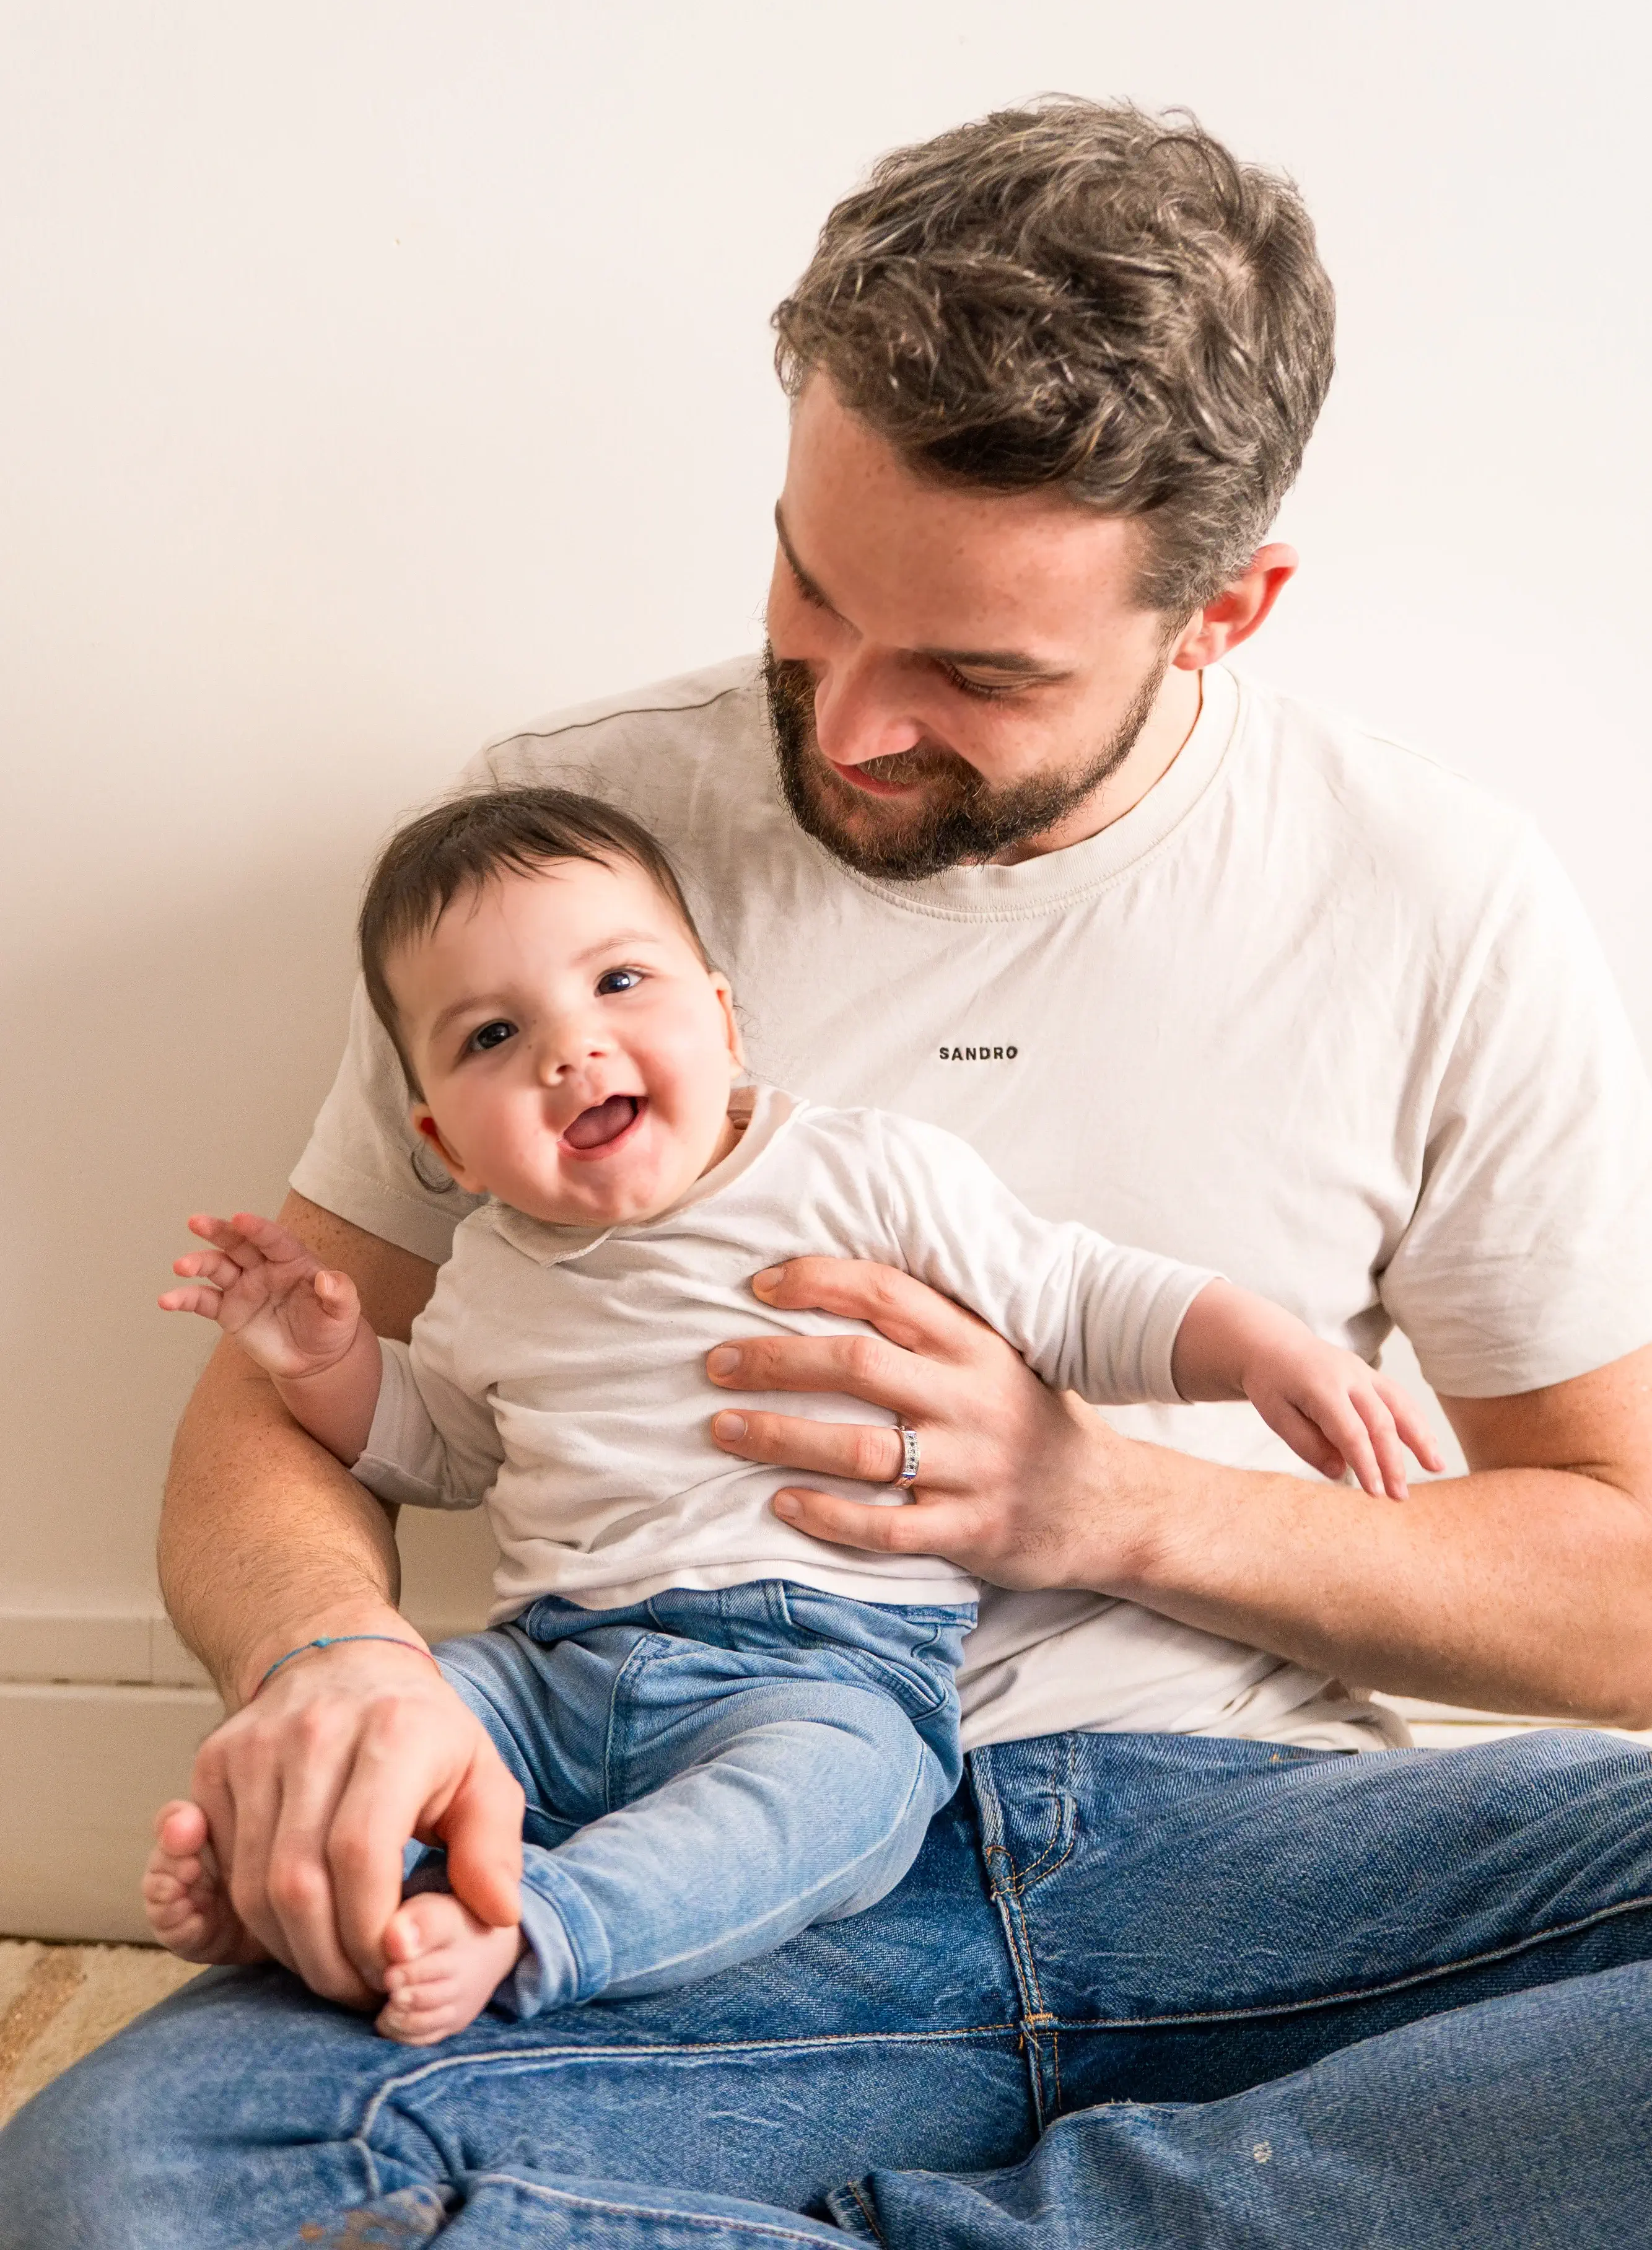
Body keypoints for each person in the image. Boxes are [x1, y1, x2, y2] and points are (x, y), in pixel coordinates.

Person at [6, 97, 1652, 2245]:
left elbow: (1620, 1587)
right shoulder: (551, 853)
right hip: (682, 1854)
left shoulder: (1429, 894)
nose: (848, 723)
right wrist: (341, 1672)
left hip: (1247, 1864)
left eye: (971, 672)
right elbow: (289, 1410)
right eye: (807, 584)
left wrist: (1106, 1502)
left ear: (1219, 614)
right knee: (123, 2189)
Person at [144, 786, 1433, 2044]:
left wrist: (1265, 1348)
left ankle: (547, 1926)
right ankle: (301, 1877)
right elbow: (445, 1448)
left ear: (722, 1019)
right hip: (554, 1665)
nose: (568, 1049)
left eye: (619, 983)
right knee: (412, 1712)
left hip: (823, 1666)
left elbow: (1075, 1294)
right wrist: (324, 1363)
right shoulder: (486, 1275)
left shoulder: (858, 1172)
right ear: (446, 1141)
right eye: (491, 1036)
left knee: (834, 1804)